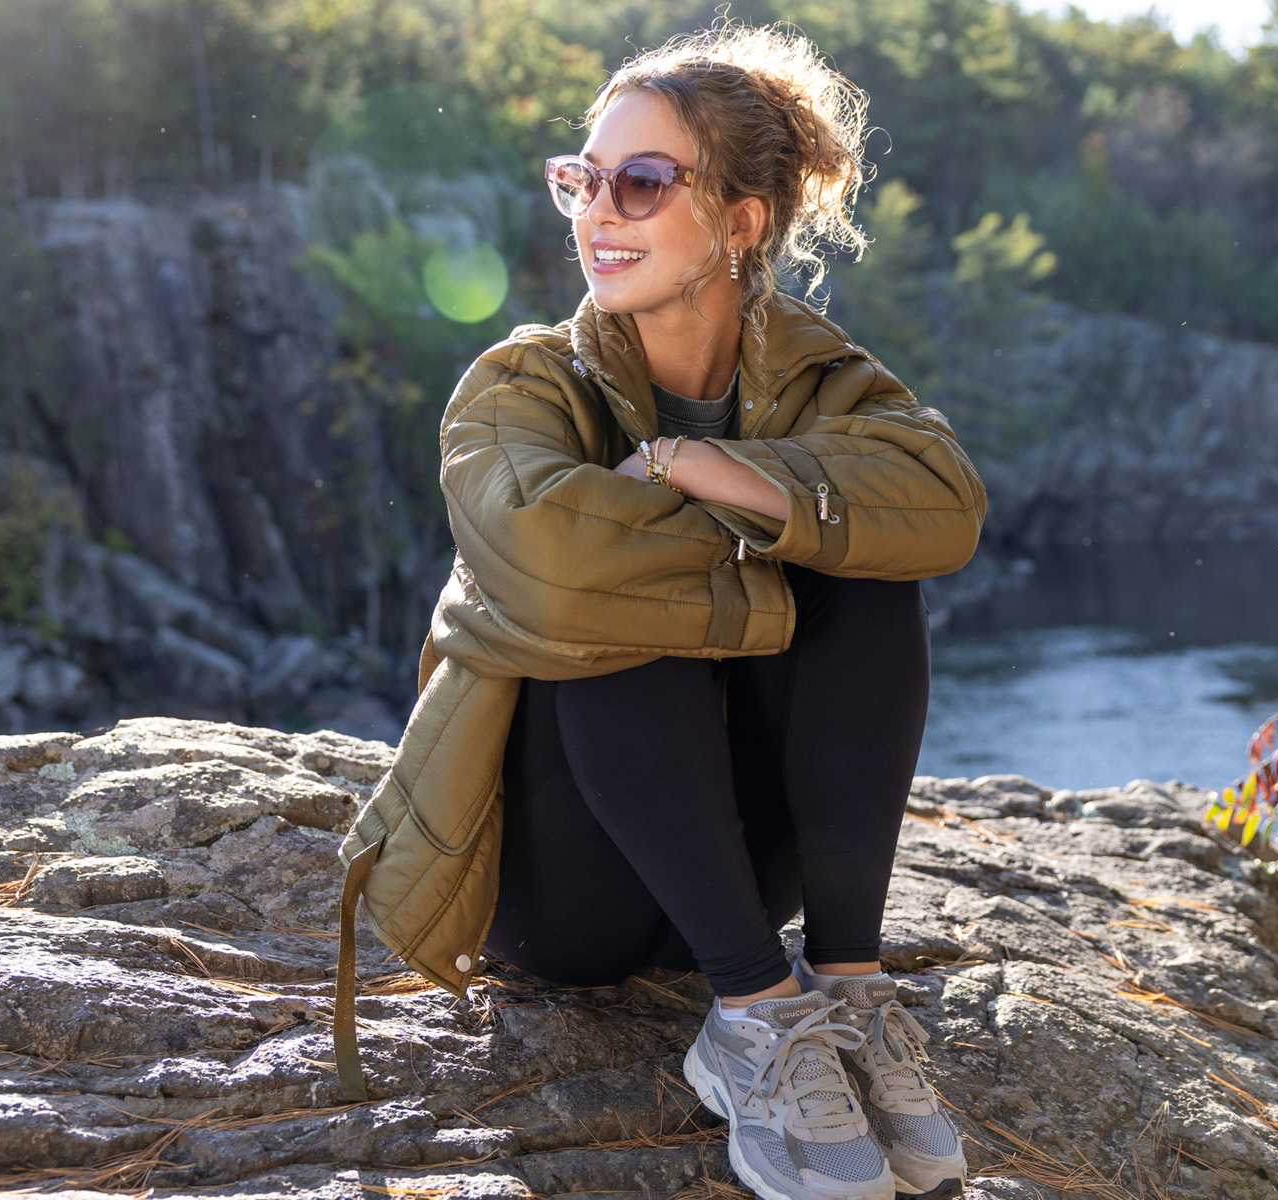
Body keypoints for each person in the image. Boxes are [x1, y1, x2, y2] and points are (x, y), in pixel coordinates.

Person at [392, 23, 984, 1200]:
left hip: (740, 878)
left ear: (741, 220)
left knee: (869, 577)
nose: (597, 212)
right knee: (619, 597)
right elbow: (556, 568)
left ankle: (846, 988)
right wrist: (779, 523)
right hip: (561, 897)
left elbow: (944, 507)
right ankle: (758, 1023)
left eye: (642, 182)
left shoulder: (824, 376)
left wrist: (692, 470)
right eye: (581, 179)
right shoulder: (521, 384)